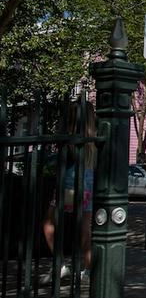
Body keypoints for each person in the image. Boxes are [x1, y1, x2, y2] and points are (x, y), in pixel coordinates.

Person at [42, 102, 96, 283]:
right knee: (85, 231)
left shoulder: (70, 138)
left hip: (68, 186)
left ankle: (61, 264)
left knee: (49, 224)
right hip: (88, 189)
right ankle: (87, 270)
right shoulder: (93, 139)